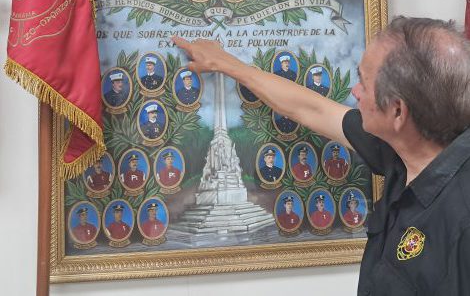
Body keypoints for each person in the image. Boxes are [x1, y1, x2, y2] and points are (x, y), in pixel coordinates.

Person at [172, 17, 470, 295]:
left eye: (364, 83)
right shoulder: (402, 147)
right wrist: (225, 63)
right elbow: (310, 109)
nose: (355, 91)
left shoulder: (461, 221)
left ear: (397, 111)